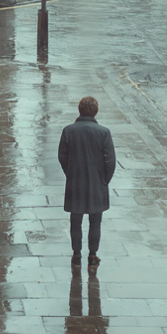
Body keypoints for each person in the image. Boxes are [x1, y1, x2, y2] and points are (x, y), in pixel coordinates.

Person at [58, 96, 116, 269]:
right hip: (96, 184)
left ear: (79, 110)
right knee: (95, 221)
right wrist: (104, 180)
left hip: (75, 183)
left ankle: (76, 254)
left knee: (75, 220)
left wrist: (70, 173)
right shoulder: (104, 132)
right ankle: (92, 255)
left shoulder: (69, 131)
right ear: (95, 111)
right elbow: (110, 161)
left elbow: (62, 156)